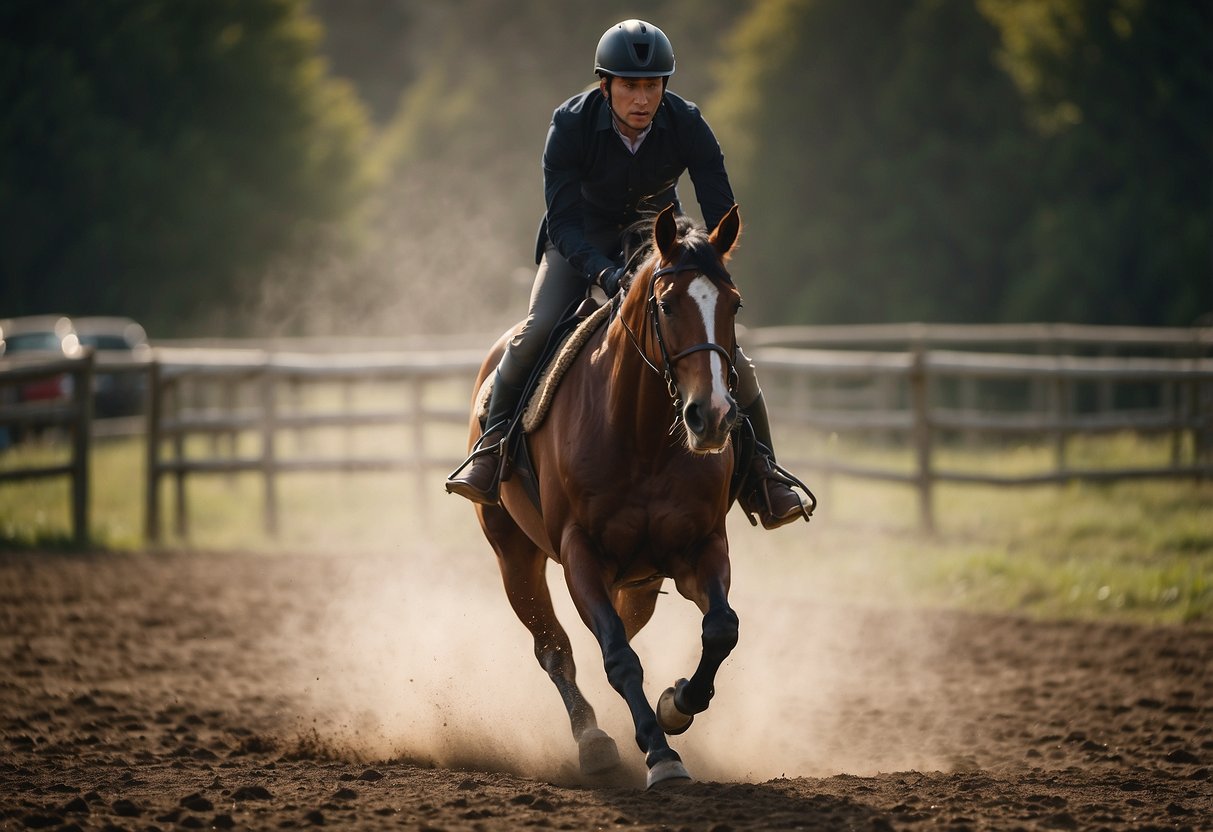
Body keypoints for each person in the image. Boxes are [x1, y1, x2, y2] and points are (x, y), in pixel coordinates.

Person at [446, 18, 811, 530]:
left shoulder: (686, 122)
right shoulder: (569, 125)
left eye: (652, 86)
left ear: (665, 86)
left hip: (656, 236)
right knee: (534, 332)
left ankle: (767, 477)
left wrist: (704, 258)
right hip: (578, 241)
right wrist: (607, 273)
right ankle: (491, 452)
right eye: (630, 86)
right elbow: (564, 221)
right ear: (605, 85)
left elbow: (719, 202)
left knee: (731, 355)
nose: (642, 99)